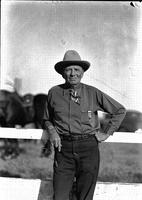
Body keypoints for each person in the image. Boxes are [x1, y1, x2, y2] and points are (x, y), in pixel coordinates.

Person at [42, 50, 126, 200]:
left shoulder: (92, 93)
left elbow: (119, 110)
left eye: (77, 69)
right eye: (68, 70)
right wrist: (52, 131)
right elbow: (47, 118)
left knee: (85, 196)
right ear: (62, 73)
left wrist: (106, 133)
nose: (73, 73)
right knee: (60, 196)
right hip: (63, 149)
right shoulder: (54, 93)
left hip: (88, 148)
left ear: (82, 73)